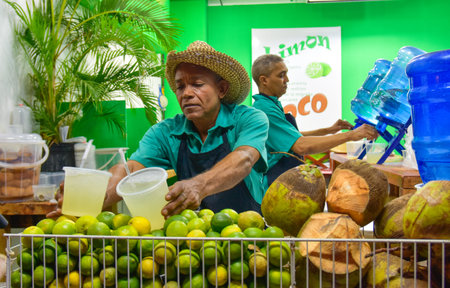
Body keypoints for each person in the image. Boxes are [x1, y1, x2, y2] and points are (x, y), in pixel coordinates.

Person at [48, 41, 269, 219]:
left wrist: (198, 185)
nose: (187, 93)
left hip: (247, 234)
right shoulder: (165, 132)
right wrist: (93, 200)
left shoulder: (248, 118)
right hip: (195, 237)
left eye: (197, 84)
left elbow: (244, 158)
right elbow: (130, 169)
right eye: (181, 86)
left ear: (221, 89)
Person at [251, 54, 378, 186]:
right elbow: (300, 145)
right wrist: (351, 135)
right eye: (281, 75)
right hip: (271, 183)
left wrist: (327, 130)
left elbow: (291, 138)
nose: (287, 80)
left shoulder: (271, 104)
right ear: (264, 80)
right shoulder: (265, 110)